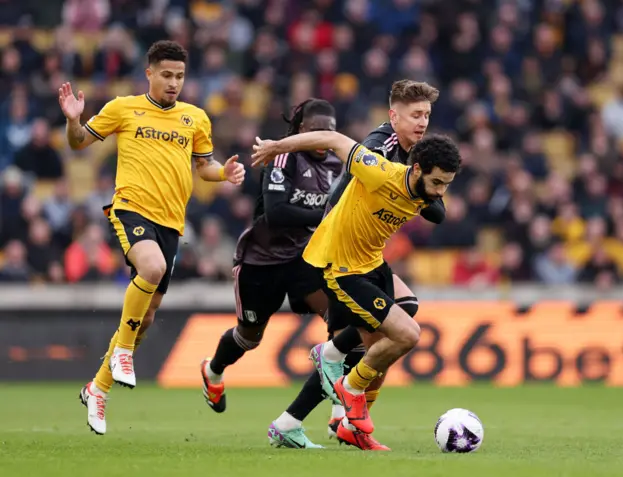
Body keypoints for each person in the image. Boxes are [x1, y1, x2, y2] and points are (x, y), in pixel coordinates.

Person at [60, 40, 245, 435]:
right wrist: (74, 121)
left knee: (145, 318)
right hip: (131, 208)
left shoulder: (195, 118)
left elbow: (205, 166)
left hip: (171, 224)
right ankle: (122, 353)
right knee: (152, 266)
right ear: (149, 73)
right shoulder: (122, 108)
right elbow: (78, 143)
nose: (173, 82)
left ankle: (98, 388)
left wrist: (224, 174)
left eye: (179, 76)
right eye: (166, 75)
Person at [252, 130, 461, 450]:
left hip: (372, 263)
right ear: (417, 169)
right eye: (437, 183)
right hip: (340, 268)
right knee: (406, 335)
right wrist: (278, 146)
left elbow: (439, 211)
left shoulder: (424, 191)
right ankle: (349, 387)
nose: (440, 192)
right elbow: (334, 138)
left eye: (447, 184)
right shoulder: (378, 170)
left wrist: (434, 192)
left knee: (401, 314)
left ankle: (338, 407)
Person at [200, 99, 343, 448]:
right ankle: (213, 370)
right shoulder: (284, 157)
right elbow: (277, 212)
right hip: (261, 261)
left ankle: (339, 413)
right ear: (299, 131)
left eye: (329, 130)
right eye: (315, 130)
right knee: (249, 337)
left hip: (305, 259)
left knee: (344, 327)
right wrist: (328, 217)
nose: (323, 137)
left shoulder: (338, 164)